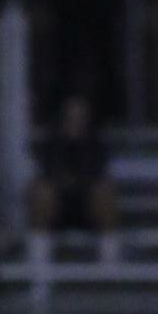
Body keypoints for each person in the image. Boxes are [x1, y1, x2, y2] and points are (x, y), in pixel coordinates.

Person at [28, 94, 121, 263]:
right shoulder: (52, 143)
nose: (76, 121)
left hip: (88, 206)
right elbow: (48, 173)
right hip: (58, 207)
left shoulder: (95, 143)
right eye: (72, 116)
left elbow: (97, 174)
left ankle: (110, 261)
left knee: (105, 190)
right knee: (42, 191)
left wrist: (76, 180)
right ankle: (39, 264)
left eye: (80, 116)